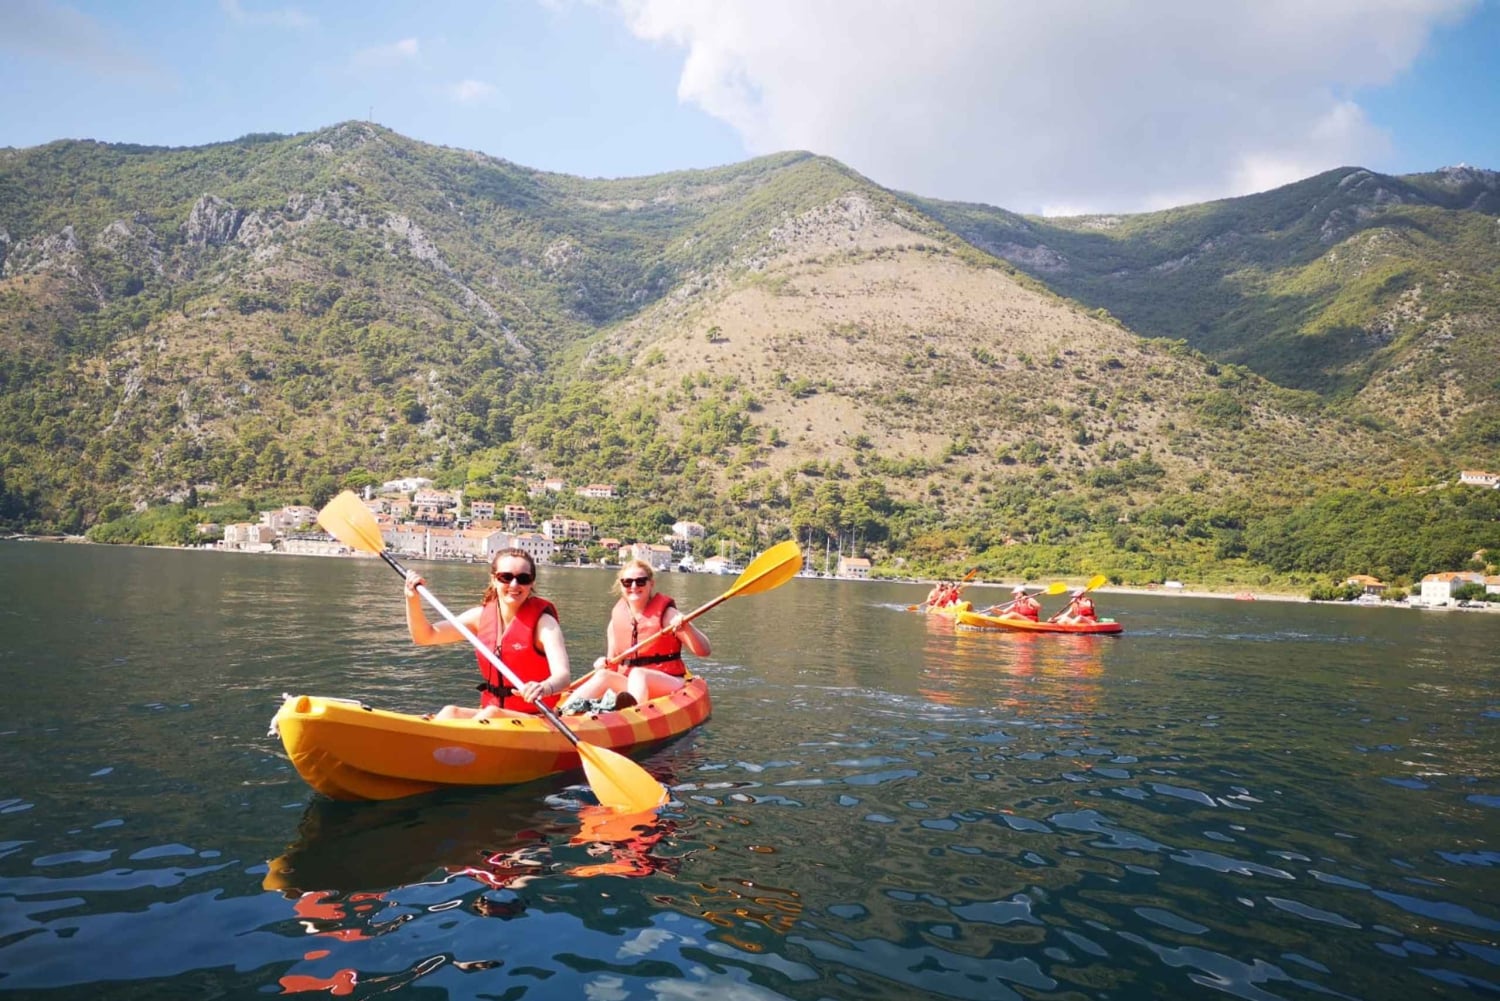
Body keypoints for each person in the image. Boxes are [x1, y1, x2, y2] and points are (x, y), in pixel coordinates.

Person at [402, 547, 570, 720]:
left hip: (538, 716)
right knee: (450, 712)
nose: (514, 585)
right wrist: (412, 599)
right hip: (492, 715)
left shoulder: (544, 624)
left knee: (492, 714)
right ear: (494, 580)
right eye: (505, 577)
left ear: (532, 583)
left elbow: (563, 677)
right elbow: (425, 636)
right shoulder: (480, 617)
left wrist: (544, 687)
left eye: (523, 578)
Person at [564, 560, 710, 710]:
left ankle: (632, 715)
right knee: (603, 676)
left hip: (669, 681)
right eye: (627, 582)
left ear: (651, 584)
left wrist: (687, 627)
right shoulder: (616, 620)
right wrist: (603, 664)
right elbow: (613, 664)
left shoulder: (668, 615)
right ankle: (562, 712)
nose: (634, 586)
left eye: (640, 581)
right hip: (631, 685)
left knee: (638, 674)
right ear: (621, 585)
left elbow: (704, 651)